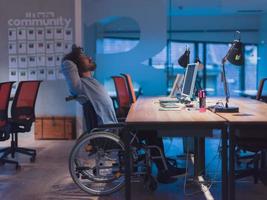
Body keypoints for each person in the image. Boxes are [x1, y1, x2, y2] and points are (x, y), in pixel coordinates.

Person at [61, 45, 186, 183]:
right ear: (77, 65)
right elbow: (67, 65)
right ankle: (164, 171)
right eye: (85, 58)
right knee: (151, 131)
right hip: (110, 134)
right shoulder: (81, 86)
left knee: (150, 129)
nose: (90, 58)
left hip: (113, 129)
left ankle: (164, 169)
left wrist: (80, 55)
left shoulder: (92, 81)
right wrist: (74, 54)